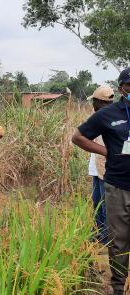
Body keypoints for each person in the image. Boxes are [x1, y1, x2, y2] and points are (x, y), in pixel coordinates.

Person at [72, 69, 130, 295]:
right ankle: (117, 287)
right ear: (121, 88)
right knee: (119, 241)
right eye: (129, 85)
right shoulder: (108, 114)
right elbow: (77, 137)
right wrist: (106, 151)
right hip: (118, 187)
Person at [86, 86, 114, 244]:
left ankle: (106, 238)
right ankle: (99, 233)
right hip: (96, 168)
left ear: (99, 102)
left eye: (94, 101)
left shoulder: (114, 120)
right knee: (97, 203)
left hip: (107, 170)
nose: (93, 104)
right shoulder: (98, 117)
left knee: (106, 206)